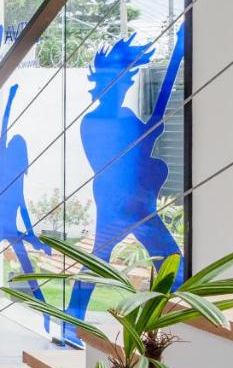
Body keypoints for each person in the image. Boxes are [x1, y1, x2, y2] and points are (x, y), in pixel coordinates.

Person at [63, 24, 187, 344]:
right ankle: (71, 323)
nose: (124, 87)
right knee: (109, 260)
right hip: (121, 200)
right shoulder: (94, 122)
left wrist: (177, 55)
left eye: (126, 81)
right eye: (120, 81)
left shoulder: (123, 116)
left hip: (133, 199)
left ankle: (167, 321)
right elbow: (127, 153)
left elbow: (145, 140)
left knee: (162, 260)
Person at [0, 83, 53, 329]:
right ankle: (45, 310)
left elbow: (23, 209)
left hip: (1, 223)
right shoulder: (12, 171)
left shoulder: (7, 170)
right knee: (22, 266)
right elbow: (3, 130)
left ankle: (45, 311)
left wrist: (10, 99)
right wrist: (9, 100)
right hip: (4, 224)